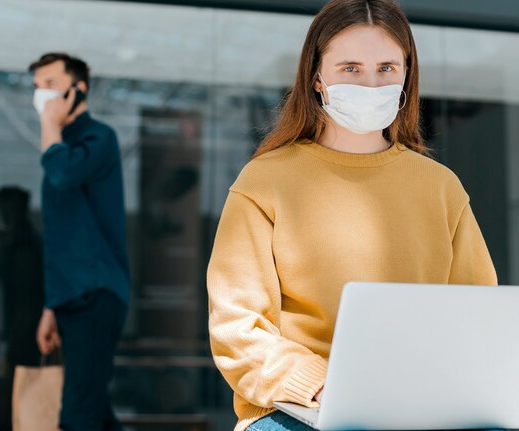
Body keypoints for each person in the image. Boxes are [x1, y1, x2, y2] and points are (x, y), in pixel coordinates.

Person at [206, 1, 498, 430]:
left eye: (385, 68)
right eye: (350, 68)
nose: (370, 83)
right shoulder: (264, 181)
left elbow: (479, 317)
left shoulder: (441, 187)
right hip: (297, 406)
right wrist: (324, 386)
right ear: (317, 78)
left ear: (406, 76)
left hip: (421, 400)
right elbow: (238, 328)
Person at [29, 53, 130, 431]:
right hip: (72, 296)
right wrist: (51, 306)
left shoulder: (98, 137)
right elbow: (64, 236)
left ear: (78, 90)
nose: (41, 96)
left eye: (51, 85)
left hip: (96, 293)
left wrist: (49, 127)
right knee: (94, 410)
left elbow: (61, 174)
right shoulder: (61, 145)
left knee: (78, 415)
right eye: (37, 87)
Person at [0, 186, 44, 431]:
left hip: (24, 335)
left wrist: (15, 340)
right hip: (23, 334)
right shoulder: (19, 241)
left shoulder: (22, 244)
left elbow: (24, 297)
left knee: (21, 402)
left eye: (2, 208)